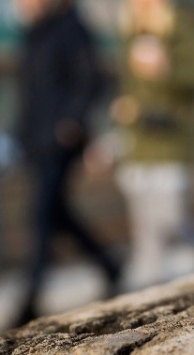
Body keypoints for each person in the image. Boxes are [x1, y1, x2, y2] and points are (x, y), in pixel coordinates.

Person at [13, 0, 120, 326]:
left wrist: (71, 121)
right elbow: (30, 92)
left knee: (43, 215)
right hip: (34, 141)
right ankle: (109, 263)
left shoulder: (72, 28)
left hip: (59, 141)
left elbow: (90, 79)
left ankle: (30, 297)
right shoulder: (33, 34)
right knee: (57, 212)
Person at [112, 0, 194, 290]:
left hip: (171, 136)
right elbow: (129, 85)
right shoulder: (128, 30)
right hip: (139, 138)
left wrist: (164, 68)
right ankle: (149, 283)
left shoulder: (179, 26)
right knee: (144, 224)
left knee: (172, 218)